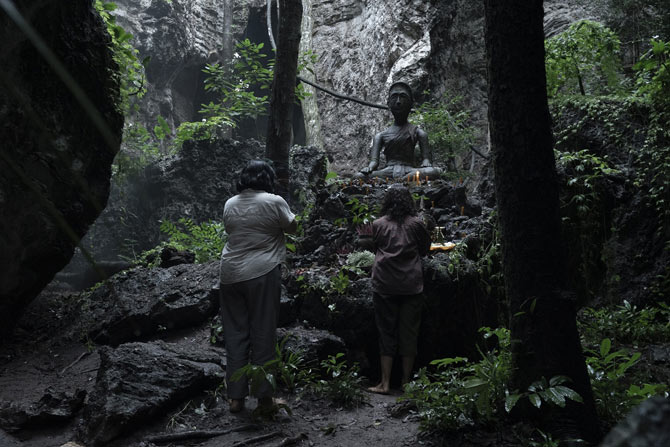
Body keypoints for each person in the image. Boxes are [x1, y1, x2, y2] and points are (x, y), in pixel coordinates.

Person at [219, 160, 298, 413]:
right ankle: (264, 399)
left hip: (230, 274)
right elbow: (293, 226)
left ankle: (235, 398)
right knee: (263, 332)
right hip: (263, 272)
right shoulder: (274, 201)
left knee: (235, 334)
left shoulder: (230, 204)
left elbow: (230, 229)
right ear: (268, 178)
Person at [367, 184, 431, 394]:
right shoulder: (417, 224)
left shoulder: (378, 224)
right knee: (409, 333)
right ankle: (405, 382)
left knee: (386, 333)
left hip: (384, 284)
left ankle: (384, 383)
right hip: (411, 285)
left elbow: (374, 247)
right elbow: (425, 249)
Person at [357, 81, 442, 180]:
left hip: (410, 170)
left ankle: (404, 179)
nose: (398, 102)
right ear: (388, 103)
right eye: (394, 97)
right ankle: (405, 179)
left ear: (411, 104)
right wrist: (370, 168)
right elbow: (374, 162)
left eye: (403, 97)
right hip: (387, 171)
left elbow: (426, 160)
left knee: (432, 172)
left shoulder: (419, 132)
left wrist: (426, 162)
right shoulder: (380, 136)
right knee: (358, 176)